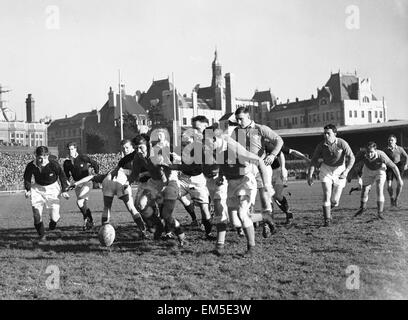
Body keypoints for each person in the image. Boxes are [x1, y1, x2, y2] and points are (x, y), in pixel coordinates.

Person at [203, 121, 275, 256]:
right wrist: (221, 176)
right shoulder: (214, 148)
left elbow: (259, 161)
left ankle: (251, 248)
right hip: (232, 184)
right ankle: (265, 216)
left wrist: (267, 185)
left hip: (245, 181)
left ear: (216, 137)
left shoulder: (233, 146)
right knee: (235, 222)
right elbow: (225, 163)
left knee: (243, 214)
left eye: (209, 141)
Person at [71, 139, 147, 238]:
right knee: (131, 208)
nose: (124, 150)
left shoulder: (125, 161)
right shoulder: (134, 159)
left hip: (108, 180)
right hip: (121, 182)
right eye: (123, 148)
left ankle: (104, 232)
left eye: (127, 148)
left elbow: (92, 177)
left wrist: (76, 183)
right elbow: (135, 174)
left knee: (107, 208)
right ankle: (143, 231)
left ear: (133, 147)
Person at [234, 106, 283, 238]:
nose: (238, 122)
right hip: (244, 168)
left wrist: (272, 155)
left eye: (241, 119)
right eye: (237, 119)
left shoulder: (261, 129)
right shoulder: (236, 131)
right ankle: (250, 223)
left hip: (261, 166)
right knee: (246, 198)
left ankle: (267, 225)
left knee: (264, 198)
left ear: (248, 117)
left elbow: (279, 140)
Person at [130, 134, 187, 246]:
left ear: (148, 145)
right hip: (155, 182)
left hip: (170, 182)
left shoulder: (157, 153)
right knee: (140, 204)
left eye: (141, 147)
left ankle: (179, 232)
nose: (138, 150)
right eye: (136, 148)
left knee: (166, 215)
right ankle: (159, 226)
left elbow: (165, 172)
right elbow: (134, 174)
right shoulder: (138, 157)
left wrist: (171, 158)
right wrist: (126, 182)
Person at [307, 124, 355, 226]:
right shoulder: (321, 145)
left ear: (335, 134)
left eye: (328, 133)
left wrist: (346, 171)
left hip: (340, 169)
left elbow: (352, 157)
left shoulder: (342, 143)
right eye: (324, 133)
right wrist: (310, 175)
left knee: (335, 200)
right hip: (326, 169)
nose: (326, 135)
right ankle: (327, 219)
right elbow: (314, 160)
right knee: (327, 194)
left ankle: (329, 209)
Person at [23, 146, 70, 242]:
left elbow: (62, 176)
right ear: (35, 156)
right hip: (37, 189)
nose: (42, 160)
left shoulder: (53, 164)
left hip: (52, 189)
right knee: (36, 214)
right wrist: (27, 189)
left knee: (54, 217)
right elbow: (27, 178)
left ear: (47, 156)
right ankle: (42, 235)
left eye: (44, 158)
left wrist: (64, 190)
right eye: (40, 158)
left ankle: (53, 222)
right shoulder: (31, 165)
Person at [354, 141, 404, 219]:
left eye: (371, 152)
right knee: (365, 190)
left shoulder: (381, 155)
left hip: (380, 170)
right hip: (367, 169)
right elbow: (354, 164)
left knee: (379, 188)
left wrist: (399, 179)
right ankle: (362, 208)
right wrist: (354, 177)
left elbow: (394, 166)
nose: (369, 154)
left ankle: (380, 213)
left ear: (375, 150)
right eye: (367, 152)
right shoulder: (361, 154)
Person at [265, 141, 310, 223]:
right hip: (266, 173)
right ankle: (286, 214)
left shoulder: (270, 145)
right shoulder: (254, 147)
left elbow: (290, 152)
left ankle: (287, 212)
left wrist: (305, 158)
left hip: (278, 171)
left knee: (276, 195)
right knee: (271, 196)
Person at [63, 142, 99, 230]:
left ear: (75, 149)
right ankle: (89, 222)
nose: (70, 151)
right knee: (83, 204)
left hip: (87, 182)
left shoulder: (83, 157)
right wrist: (66, 185)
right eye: (69, 149)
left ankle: (88, 220)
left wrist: (96, 173)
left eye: (72, 149)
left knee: (79, 202)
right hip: (77, 184)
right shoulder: (67, 162)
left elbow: (94, 163)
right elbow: (67, 176)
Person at [383, 135, 407, 207]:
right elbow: (382, 158)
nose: (390, 141)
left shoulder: (400, 149)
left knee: (400, 184)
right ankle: (391, 198)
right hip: (389, 167)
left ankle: (396, 198)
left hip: (398, 167)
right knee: (389, 185)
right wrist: (383, 164)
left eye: (392, 140)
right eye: (389, 140)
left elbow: (406, 156)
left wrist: (406, 164)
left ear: (395, 141)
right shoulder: (385, 150)